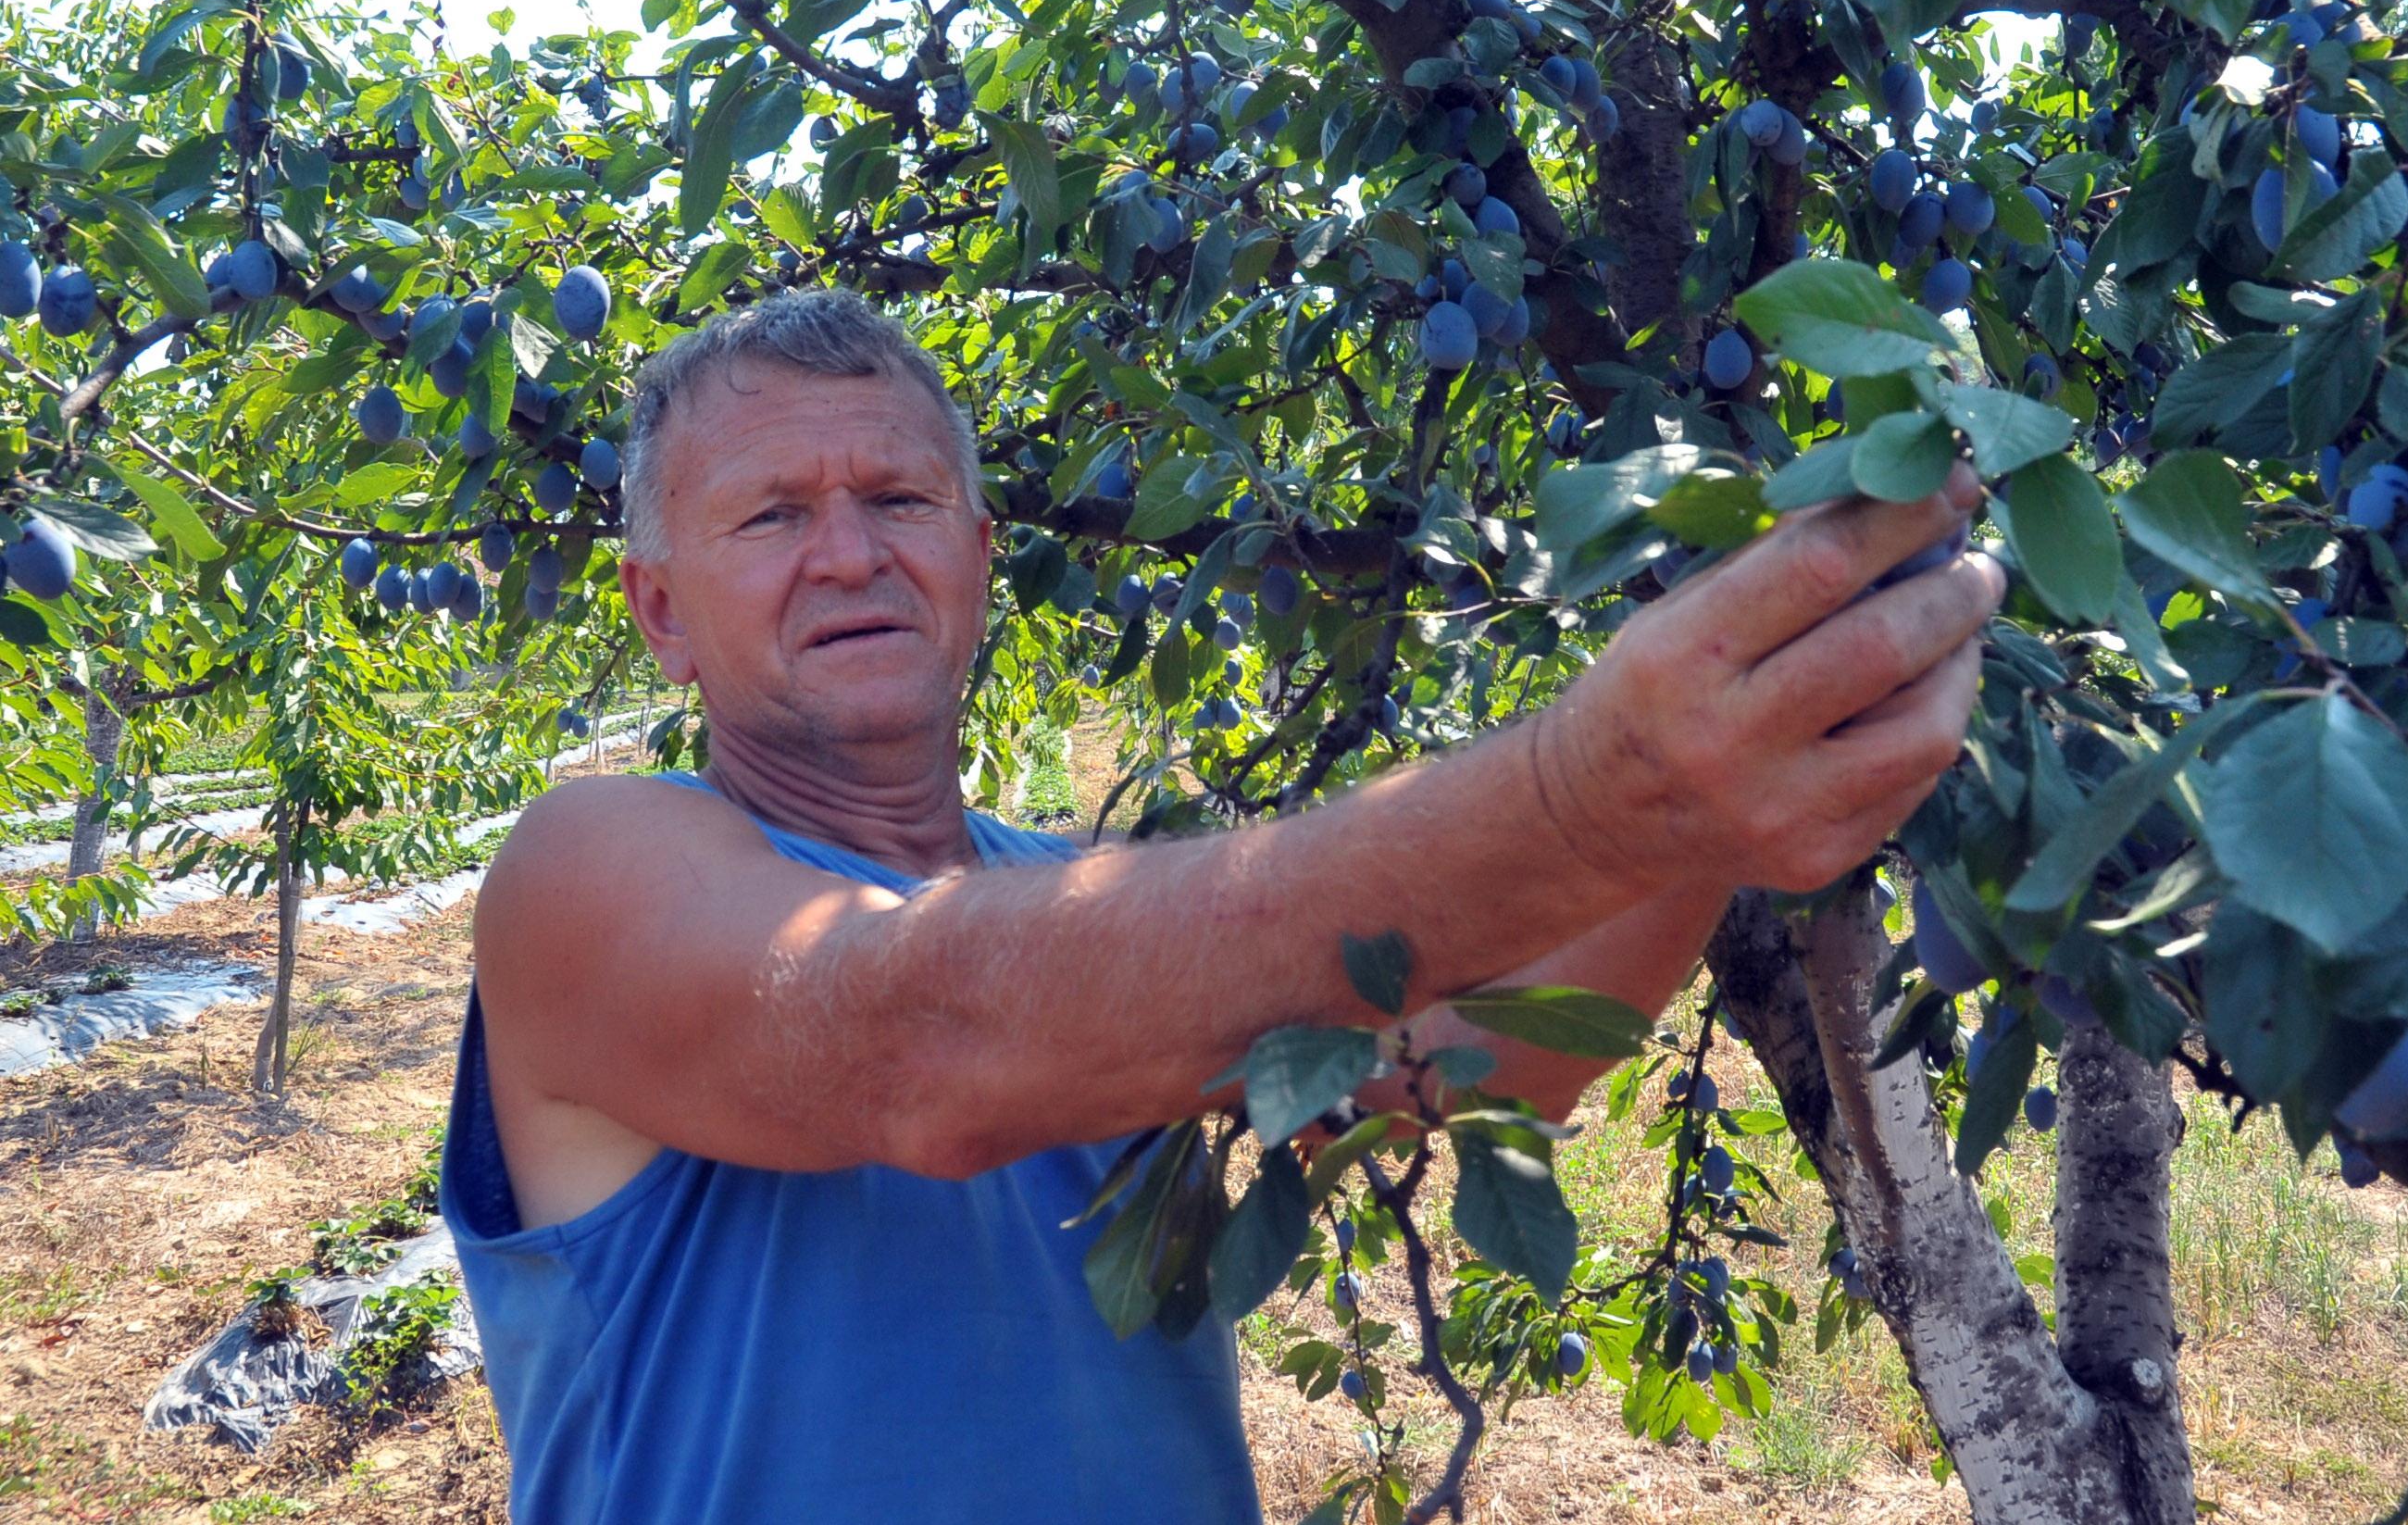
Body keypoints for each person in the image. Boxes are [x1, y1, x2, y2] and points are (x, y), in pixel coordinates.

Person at [442, 289, 2003, 1521]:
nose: (849, 552)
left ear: (981, 558)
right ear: (660, 611)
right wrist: (1590, 791)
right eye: (771, 516)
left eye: (901, 499)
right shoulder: (583, 875)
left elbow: (1464, 1074)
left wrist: (1724, 792)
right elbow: (918, 1043)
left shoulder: (1084, 910)